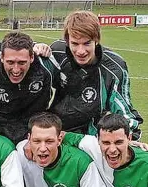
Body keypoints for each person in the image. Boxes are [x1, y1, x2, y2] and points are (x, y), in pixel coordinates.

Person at [50, 11, 142, 140]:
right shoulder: (57, 52)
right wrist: (36, 46)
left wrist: (130, 135)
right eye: (75, 44)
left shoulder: (114, 66)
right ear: (67, 40)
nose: (80, 51)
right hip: (57, 132)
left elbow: (123, 110)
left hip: (91, 138)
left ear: (96, 40)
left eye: (87, 43)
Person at [0, 31, 61, 145]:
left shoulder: (46, 65)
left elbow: (63, 90)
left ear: (32, 57)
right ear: (2, 57)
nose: (16, 69)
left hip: (34, 126)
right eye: (10, 62)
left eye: (22, 63)